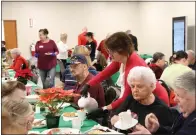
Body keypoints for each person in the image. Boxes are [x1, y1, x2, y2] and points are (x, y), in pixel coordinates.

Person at [81, 32, 169, 112]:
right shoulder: (123, 58)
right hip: (143, 98)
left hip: (157, 103)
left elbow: (125, 98)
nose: (110, 55)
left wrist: (104, 109)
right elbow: (105, 73)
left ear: (121, 50)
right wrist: (88, 84)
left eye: (112, 51)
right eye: (109, 51)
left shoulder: (133, 67)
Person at [131, 70, 196, 135]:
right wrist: (158, 129)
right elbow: (173, 132)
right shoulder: (186, 113)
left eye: (179, 96)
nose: (175, 100)